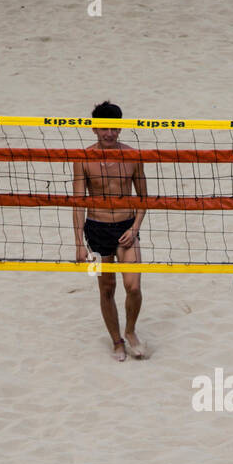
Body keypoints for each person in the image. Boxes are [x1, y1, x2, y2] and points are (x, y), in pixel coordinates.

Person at [73, 100, 148, 361]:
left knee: (134, 287)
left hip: (127, 228)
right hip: (96, 231)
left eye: (114, 128)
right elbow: (77, 204)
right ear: (94, 129)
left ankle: (130, 331)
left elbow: (144, 198)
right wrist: (78, 244)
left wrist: (136, 227)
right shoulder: (83, 159)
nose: (109, 133)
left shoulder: (132, 156)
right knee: (107, 288)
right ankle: (116, 341)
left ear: (120, 129)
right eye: (104, 128)